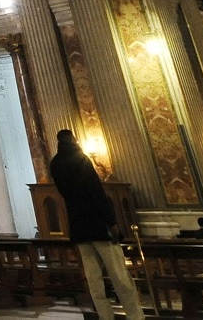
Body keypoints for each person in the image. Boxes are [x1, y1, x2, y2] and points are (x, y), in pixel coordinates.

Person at [49, 130, 144, 320]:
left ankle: (105, 316)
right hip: (99, 226)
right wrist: (112, 222)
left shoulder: (55, 163)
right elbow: (96, 192)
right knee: (119, 276)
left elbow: (64, 193)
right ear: (73, 139)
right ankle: (135, 316)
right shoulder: (80, 159)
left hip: (79, 227)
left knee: (94, 280)